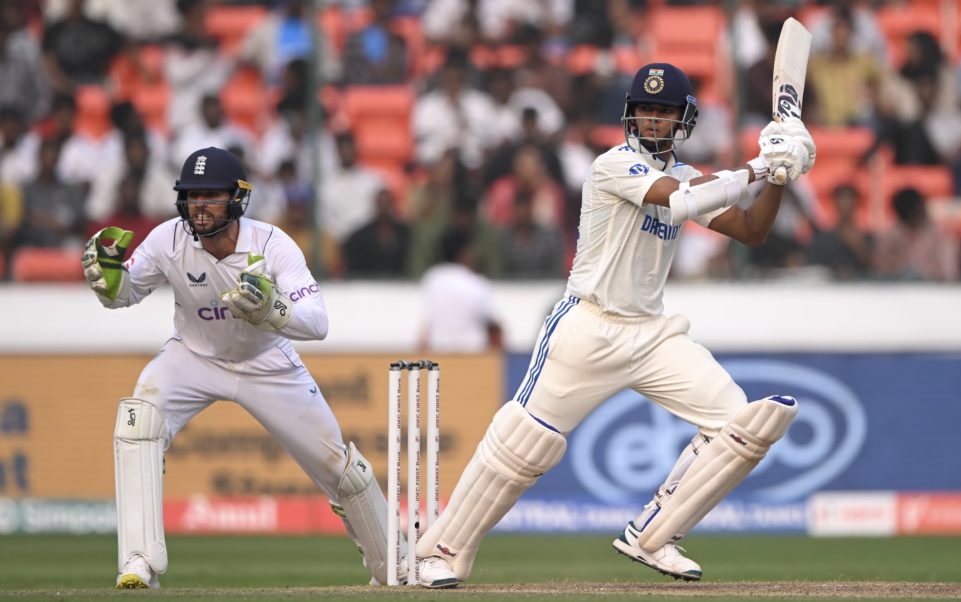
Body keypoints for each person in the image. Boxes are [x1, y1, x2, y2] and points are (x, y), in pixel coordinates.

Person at [414, 63, 815, 588]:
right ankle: (438, 551)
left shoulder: (692, 175)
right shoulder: (613, 165)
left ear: (683, 119)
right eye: (645, 110)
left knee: (742, 424)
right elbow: (678, 200)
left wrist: (781, 178)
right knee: (524, 444)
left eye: (663, 111)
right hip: (588, 323)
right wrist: (762, 165)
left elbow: (750, 230)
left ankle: (654, 536)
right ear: (630, 114)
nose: (652, 120)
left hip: (651, 333)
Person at [81, 147, 401, 589]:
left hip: (267, 362)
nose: (200, 206)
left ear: (236, 199)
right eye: (192, 196)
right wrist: (109, 282)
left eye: (211, 196)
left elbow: (318, 323)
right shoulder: (167, 239)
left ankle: (393, 568)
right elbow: (126, 293)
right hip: (192, 357)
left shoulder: (272, 244)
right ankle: (139, 562)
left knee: (341, 471)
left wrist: (272, 308)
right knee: (139, 423)